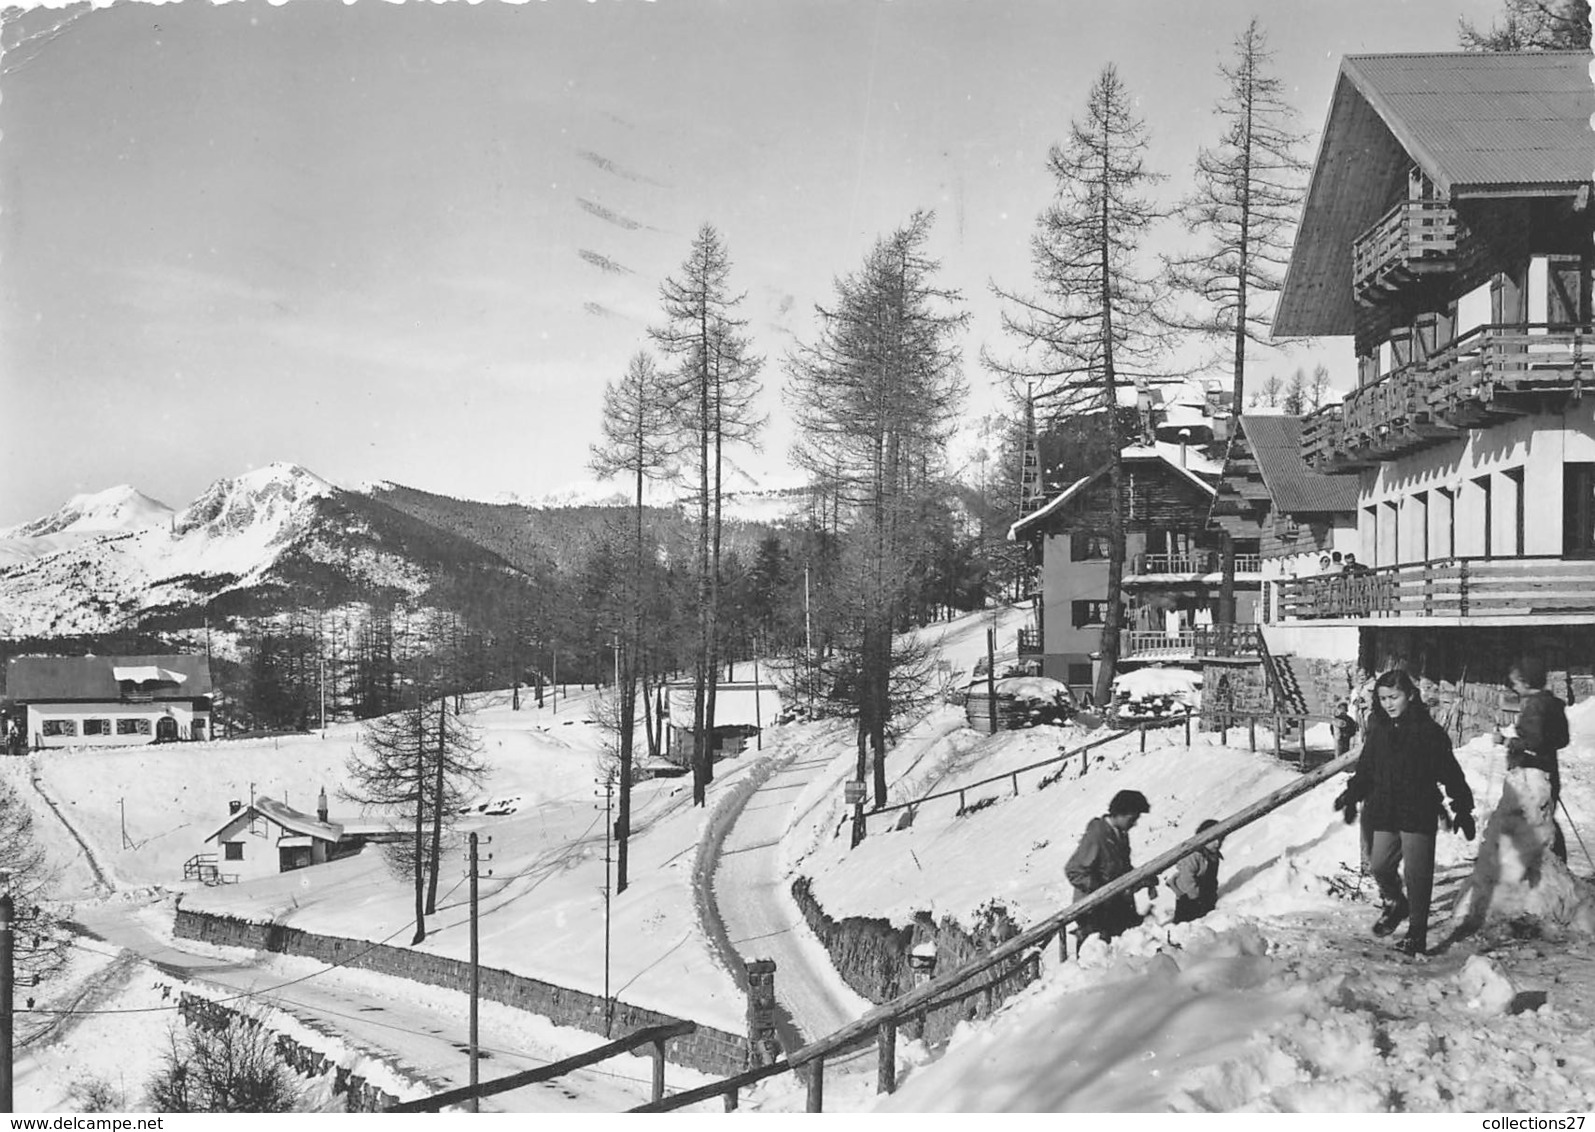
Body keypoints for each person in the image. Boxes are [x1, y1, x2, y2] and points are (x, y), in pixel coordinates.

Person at [1332, 669, 1475, 956]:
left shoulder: (1428, 732)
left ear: (1410, 695)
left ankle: (1417, 935)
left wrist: (1462, 807)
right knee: (1380, 865)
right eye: (1383, 698)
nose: (1388, 703)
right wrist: (1352, 794)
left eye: (1394, 697)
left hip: (1418, 809)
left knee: (1417, 874)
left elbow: (1450, 771)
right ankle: (1397, 903)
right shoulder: (1378, 729)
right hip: (1385, 809)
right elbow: (1367, 768)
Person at [1065, 789, 1158, 942]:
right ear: (1120, 813)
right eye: (1132, 818)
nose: (1134, 824)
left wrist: (1143, 879)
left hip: (1114, 908)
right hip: (1094, 913)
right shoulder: (1097, 835)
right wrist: (1101, 890)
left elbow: (1121, 869)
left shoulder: (1120, 835)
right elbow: (1074, 871)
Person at [1507, 656, 1570, 861]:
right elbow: (1561, 740)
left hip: (1532, 773)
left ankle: (1543, 872)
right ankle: (1557, 868)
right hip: (1549, 768)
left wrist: (1508, 742)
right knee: (1545, 818)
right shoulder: (1552, 704)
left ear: (1526, 681)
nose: (1514, 687)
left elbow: (1533, 743)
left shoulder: (1535, 706)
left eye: (1515, 682)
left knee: (1535, 822)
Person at [1170, 818, 1223, 923]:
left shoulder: (1213, 856)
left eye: (1220, 839)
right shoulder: (1193, 856)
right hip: (1187, 896)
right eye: (1213, 840)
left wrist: (1212, 893)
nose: (1217, 843)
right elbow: (1187, 878)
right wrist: (1195, 897)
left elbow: (1212, 877)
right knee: (1186, 921)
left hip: (1202, 894)